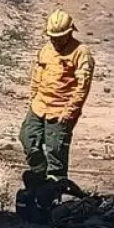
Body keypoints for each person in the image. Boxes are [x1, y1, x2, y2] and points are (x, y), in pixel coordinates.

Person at [20, 9, 95, 182]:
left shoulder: (81, 52)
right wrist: (33, 98)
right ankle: (39, 176)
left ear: (69, 33)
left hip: (61, 109)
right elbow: (37, 75)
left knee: (56, 150)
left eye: (59, 37)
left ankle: (56, 185)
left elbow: (82, 87)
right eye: (52, 37)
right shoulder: (46, 50)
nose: (55, 41)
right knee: (27, 138)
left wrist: (69, 113)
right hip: (39, 106)